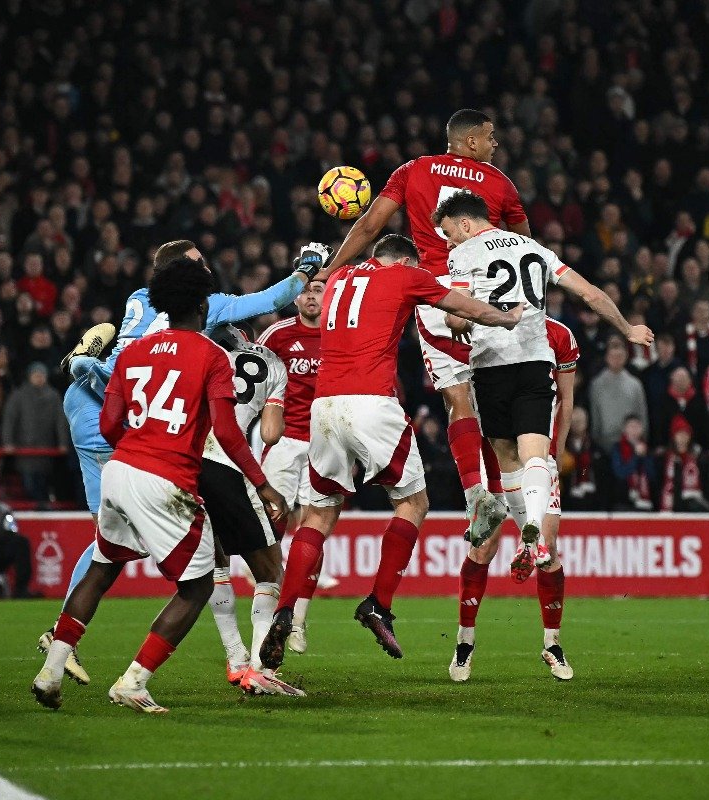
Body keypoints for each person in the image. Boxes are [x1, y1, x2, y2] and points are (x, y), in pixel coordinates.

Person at [35, 238, 328, 681]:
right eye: (200, 267)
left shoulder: (139, 303)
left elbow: (118, 420)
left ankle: (60, 644)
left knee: (105, 549)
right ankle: (164, 676)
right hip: (171, 443)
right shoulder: (215, 348)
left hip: (92, 405)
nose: (207, 271)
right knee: (206, 581)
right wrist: (305, 271)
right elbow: (272, 301)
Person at [258, 234, 521, 677]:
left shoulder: (338, 277)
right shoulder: (403, 274)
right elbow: (464, 306)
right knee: (413, 502)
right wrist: (506, 318)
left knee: (319, 515)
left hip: (324, 407)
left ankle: (286, 610)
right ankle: (378, 603)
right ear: (403, 259)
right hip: (370, 402)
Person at [323, 109, 530, 541]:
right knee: (492, 398)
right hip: (488, 292)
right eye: (490, 137)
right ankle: (518, 504)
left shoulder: (413, 170)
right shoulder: (500, 184)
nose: (495, 145)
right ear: (470, 142)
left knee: (457, 399)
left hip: (436, 292)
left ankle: (477, 499)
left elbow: (369, 226)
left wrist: (329, 269)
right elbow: (524, 244)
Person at [436, 189, 652, 564]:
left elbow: (455, 316)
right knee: (536, 454)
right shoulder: (536, 249)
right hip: (536, 363)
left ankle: (527, 532)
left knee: (507, 458)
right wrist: (627, 328)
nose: (450, 241)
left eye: (450, 232)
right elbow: (590, 294)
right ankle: (536, 526)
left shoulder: (463, 254)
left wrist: (456, 320)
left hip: (492, 365)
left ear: (465, 223)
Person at [448, 315, 581, 683]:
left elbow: (565, 401)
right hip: (493, 460)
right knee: (483, 550)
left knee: (548, 550)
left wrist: (558, 453)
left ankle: (552, 645)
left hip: (539, 459)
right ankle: (464, 643)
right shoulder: (478, 325)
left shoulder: (558, 333)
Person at [200, 325, 303, 697]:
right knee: (270, 569)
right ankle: (259, 668)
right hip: (229, 464)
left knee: (216, 564)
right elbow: (272, 433)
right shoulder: (273, 364)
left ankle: (236, 659)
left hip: (186, 462)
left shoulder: (202, 354)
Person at [256, 277, 333, 655]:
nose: (311, 296)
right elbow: (252, 382)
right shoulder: (276, 335)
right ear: (295, 297)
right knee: (273, 522)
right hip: (285, 441)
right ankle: (271, 607)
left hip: (328, 442)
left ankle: (297, 620)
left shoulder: (341, 332)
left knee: (313, 530)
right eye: (305, 290)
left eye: (318, 290)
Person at [1, 363, 69, 503]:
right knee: (29, 483)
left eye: (42, 375)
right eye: (36, 375)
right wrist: (8, 442)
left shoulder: (53, 396)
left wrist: (63, 442)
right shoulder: (19, 395)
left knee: (43, 482)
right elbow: (9, 420)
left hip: (46, 449)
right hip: (25, 449)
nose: (39, 378)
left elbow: (60, 421)